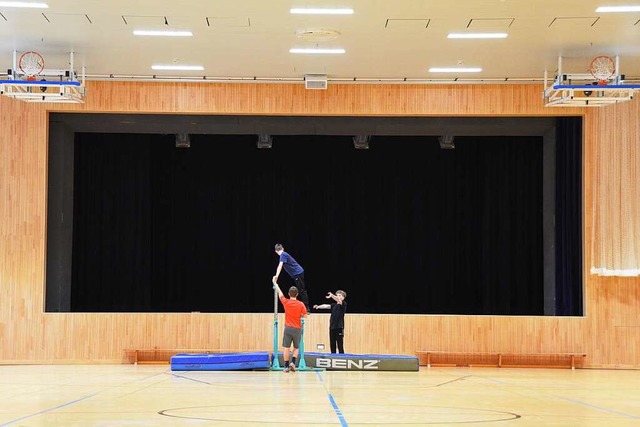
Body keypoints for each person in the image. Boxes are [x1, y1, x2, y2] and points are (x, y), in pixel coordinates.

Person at [272, 277, 307, 372]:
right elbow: (305, 315)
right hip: (297, 328)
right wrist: (300, 315)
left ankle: (286, 366)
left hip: (288, 328)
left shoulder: (286, 302)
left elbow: (280, 293)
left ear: (289, 294)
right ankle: (293, 362)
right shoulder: (301, 304)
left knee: (286, 348)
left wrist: (275, 283)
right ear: (297, 294)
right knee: (296, 347)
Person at [273, 243, 310, 311]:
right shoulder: (284, 254)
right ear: (283, 248)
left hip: (298, 273)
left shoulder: (283, 255)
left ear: (276, 251)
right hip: (298, 273)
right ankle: (303, 307)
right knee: (300, 290)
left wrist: (276, 276)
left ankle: (306, 308)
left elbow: (280, 266)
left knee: (301, 290)